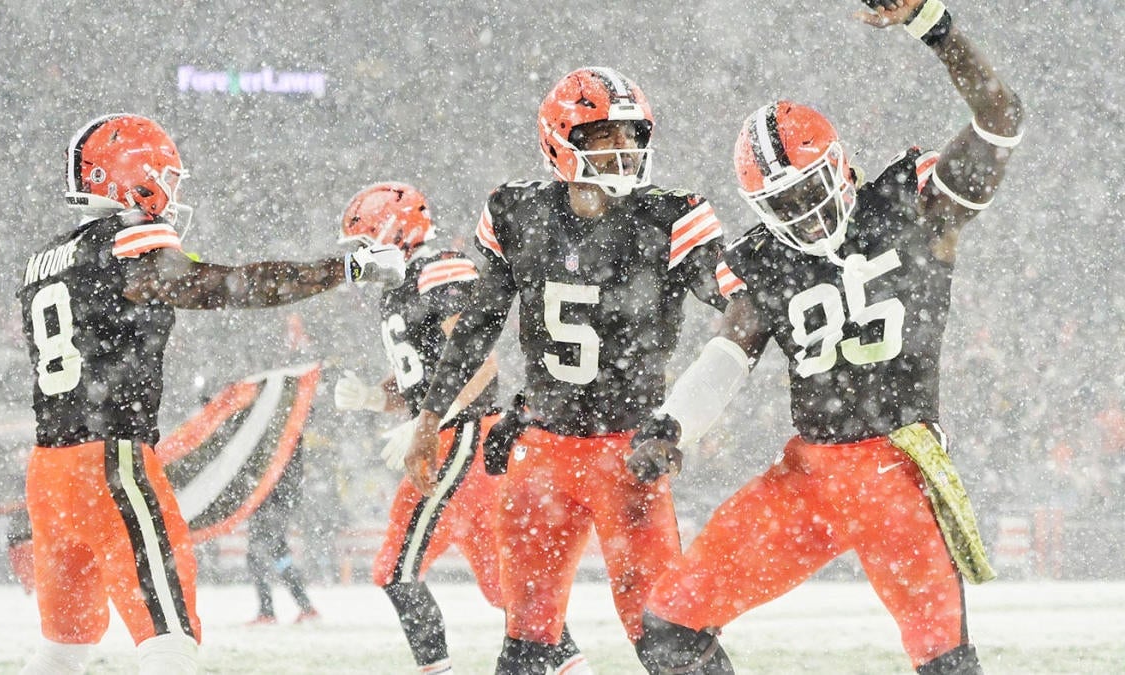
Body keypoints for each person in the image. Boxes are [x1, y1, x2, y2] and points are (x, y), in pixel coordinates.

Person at [626, 2, 1024, 673]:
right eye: (779, 202)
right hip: (808, 476)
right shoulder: (764, 260)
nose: (801, 213)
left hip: (898, 470)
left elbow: (1000, 118)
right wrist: (670, 425)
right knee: (670, 628)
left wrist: (932, 23)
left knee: (945, 662)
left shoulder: (915, 203)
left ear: (841, 166)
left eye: (807, 188)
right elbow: (729, 354)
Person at [16, 113, 404, 675]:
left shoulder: (44, 260)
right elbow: (229, 285)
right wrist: (344, 267)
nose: (170, 192)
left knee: (62, 652)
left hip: (50, 474)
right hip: (111, 463)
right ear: (129, 175)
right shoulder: (127, 242)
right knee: (168, 638)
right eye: (164, 176)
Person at [403, 67, 734, 673]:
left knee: (665, 632)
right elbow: (479, 324)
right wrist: (430, 415)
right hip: (542, 448)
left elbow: (735, 303)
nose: (624, 150)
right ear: (562, 139)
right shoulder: (517, 210)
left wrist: (760, 288)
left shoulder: (672, 216)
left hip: (627, 450)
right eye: (605, 134)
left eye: (632, 135)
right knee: (527, 639)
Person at [333, 182, 587, 675]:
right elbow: (423, 377)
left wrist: (433, 421)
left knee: (396, 570)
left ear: (394, 231)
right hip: (462, 439)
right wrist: (374, 398)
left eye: (366, 241)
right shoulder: (403, 287)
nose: (363, 257)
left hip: (462, 438)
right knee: (507, 587)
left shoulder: (439, 268)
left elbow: (479, 365)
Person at [244, 436, 319, 625]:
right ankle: (303, 607)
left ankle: (269, 611)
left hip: (271, 499)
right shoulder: (286, 427)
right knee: (277, 554)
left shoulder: (277, 428)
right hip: (276, 498)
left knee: (258, 554)